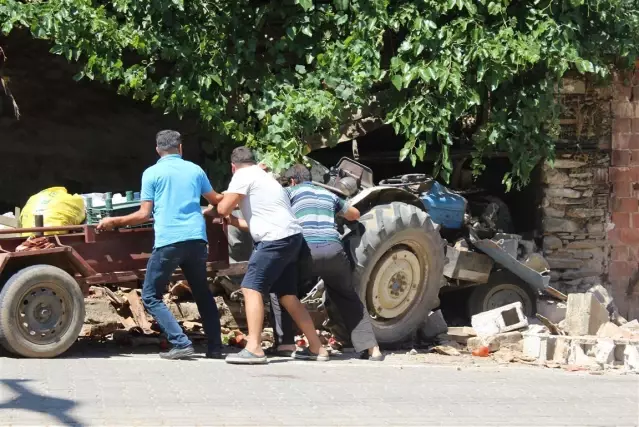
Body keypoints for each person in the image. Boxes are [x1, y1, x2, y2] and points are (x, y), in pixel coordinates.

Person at [97, 130, 225, 360]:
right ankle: (215, 347)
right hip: (197, 240)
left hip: (169, 241)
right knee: (203, 294)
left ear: (157, 150)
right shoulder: (195, 170)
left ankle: (180, 341)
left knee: (150, 296)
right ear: (180, 148)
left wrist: (113, 221)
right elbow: (216, 200)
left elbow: (143, 214)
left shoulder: (152, 173)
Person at [217, 146, 329, 364]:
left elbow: (222, 209)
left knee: (250, 287)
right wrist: (232, 221)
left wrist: (216, 209)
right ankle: (317, 348)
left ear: (233, 167)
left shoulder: (243, 175)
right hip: (291, 238)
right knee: (288, 296)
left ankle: (254, 348)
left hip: (274, 240)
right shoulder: (265, 177)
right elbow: (255, 224)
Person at [282, 163, 384, 361]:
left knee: (284, 290)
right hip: (334, 250)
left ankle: (286, 343)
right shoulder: (327, 194)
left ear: (293, 180)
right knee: (347, 296)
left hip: (307, 249)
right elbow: (354, 214)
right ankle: (373, 350)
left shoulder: (290, 192)